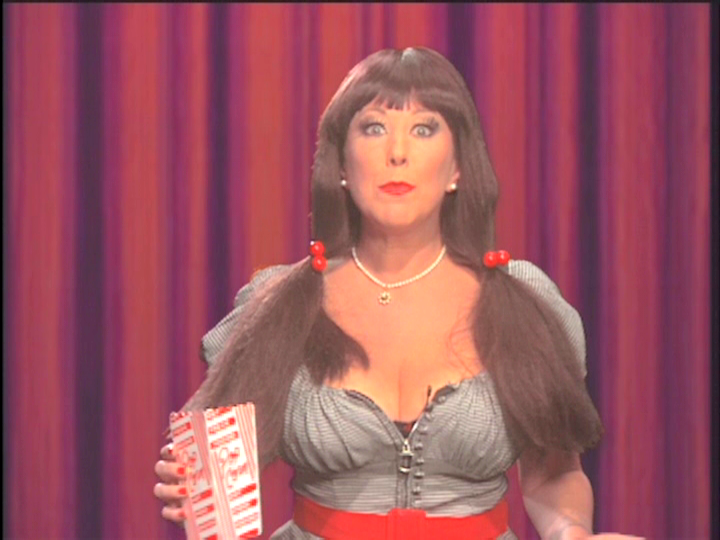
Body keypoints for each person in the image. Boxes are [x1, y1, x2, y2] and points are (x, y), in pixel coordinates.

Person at [154, 47, 637, 540]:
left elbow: (555, 472)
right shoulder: (281, 301)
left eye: (424, 129)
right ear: (342, 164)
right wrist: (189, 483)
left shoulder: (522, 299)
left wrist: (572, 534)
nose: (398, 152)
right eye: (374, 128)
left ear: (457, 167)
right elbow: (211, 483)